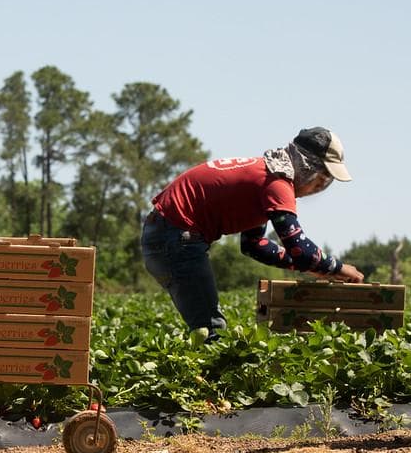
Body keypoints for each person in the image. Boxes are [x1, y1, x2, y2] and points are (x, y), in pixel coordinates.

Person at [142, 127, 364, 341]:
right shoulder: (277, 184)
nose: (320, 188)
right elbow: (301, 250)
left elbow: (254, 245)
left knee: (207, 327)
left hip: (166, 233)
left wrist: (314, 267)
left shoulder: (267, 175)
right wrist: (337, 267)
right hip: (174, 237)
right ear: (307, 167)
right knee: (211, 329)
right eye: (323, 179)